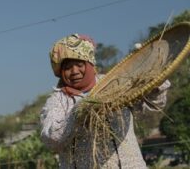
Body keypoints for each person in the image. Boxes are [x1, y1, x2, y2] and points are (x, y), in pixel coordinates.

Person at [40, 33, 170, 168]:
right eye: (67, 68)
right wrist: (79, 111)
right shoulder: (58, 100)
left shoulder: (116, 83)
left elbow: (153, 106)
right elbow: (51, 139)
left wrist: (153, 77)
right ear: (60, 72)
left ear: (90, 63)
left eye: (79, 64)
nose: (74, 71)